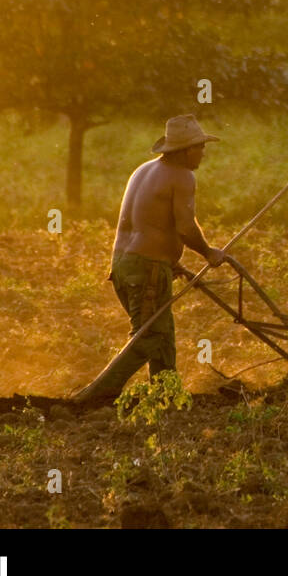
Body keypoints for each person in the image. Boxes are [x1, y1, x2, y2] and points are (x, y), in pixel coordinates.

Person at [79, 114, 228, 401]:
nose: (203, 152)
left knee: (162, 335)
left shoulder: (143, 170)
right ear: (185, 150)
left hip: (124, 265)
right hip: (146, 269)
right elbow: (185, 226)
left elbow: (149, 222)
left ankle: (165, 398)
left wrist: (171, 261)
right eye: (199, 147)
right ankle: (94, 397)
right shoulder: (183, 176)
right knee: (150, 336)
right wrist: (209, 252)